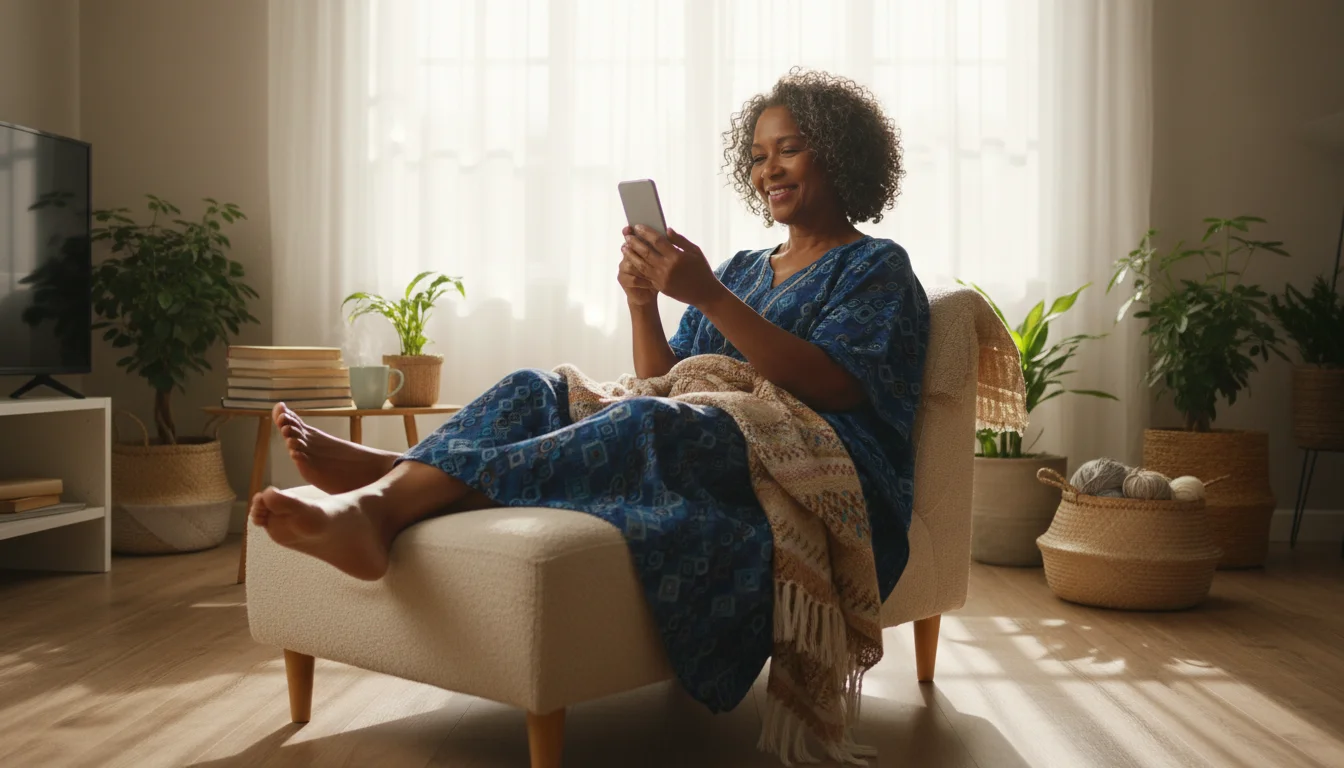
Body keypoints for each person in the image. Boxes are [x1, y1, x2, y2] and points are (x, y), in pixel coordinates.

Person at [250, 68, 929, 713]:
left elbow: (836, 384)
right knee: (535, 386)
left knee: (643, 423)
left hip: (807, 456)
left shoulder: (875, 264)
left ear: (839, 154)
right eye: (756, 156)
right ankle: (392, 493)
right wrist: (643, 304)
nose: (768, 169)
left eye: (790, 150)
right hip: (709, 425)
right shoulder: (745, 268)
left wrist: (706, 295)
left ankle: (393, 487)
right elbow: (669, 378)